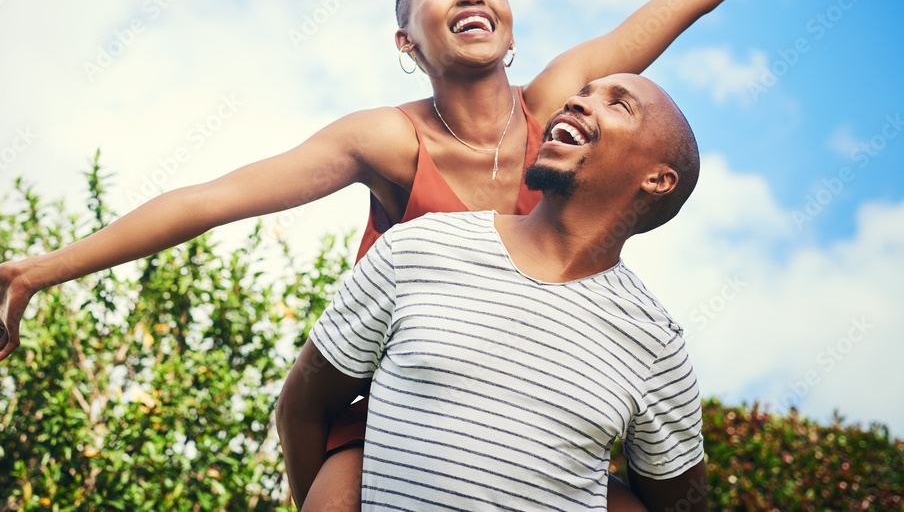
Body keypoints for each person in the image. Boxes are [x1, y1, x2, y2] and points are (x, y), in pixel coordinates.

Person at [0, 0, 824, 512]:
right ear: (408, 41)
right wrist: (49, 267)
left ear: (511, 20)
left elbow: (675, 2)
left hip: (531, 400)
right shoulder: (385, 141)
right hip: (393, 404)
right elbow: (217, 197)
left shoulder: (559, 100)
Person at [277, 73, 707, 511]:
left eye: (619, 105)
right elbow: (303, 409)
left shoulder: (654, 344)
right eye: (581, 92)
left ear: (658, 179)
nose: (577, 103)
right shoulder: (417, 246)